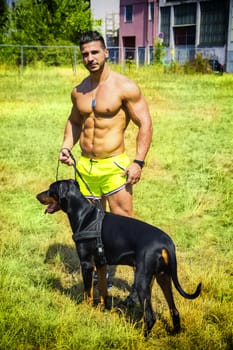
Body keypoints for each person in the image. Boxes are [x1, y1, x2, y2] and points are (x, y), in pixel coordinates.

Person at [59, 30, 153, 303]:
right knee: (90, 230)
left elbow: (144, 123)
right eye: (85, 54)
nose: (90, 58)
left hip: (115, 167)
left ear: (106, 52)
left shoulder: (125, 87)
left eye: (94, 52)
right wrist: (67, 146)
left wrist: (138, 161)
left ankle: (139, 287)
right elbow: (75, 122)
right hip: (86, 168)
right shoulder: (79, 90)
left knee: (124, 227)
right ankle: (104, 279)